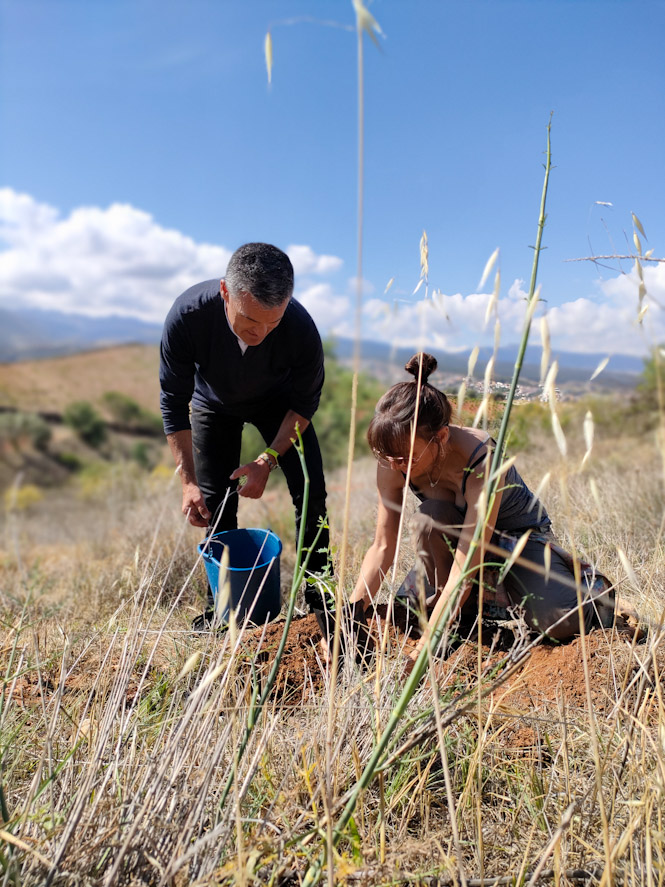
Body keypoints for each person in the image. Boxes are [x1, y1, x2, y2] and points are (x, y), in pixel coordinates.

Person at [348, 352, 624, 669]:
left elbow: (467, 564)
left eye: (406, 458)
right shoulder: (393, 457)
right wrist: (350, 618)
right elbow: (383, 545)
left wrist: (425, 647)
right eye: (389, 457)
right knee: (429, 518)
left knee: (559, 621)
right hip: (452, 537)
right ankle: (457, 616)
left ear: (441, 437)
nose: (397, 466)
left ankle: (591, 597)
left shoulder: (481, 459)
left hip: (516, 539)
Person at [159, 242, 331, 625]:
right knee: (214, 502)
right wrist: (188, 482)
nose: (263, 333)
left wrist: (267, 460)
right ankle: (222, 607)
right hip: (213, 404)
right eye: (251, 322)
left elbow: (303, 406)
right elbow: (173, 401)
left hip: (279, 404)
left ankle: (320, 592)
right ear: (225, 293)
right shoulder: (187, 317)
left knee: (311, 486)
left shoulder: (301, 330)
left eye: (273, 322)